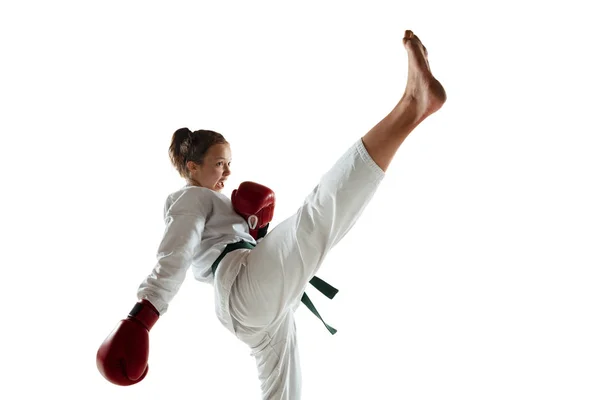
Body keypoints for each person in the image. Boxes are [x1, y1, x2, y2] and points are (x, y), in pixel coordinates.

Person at [97, 30, 446, 399]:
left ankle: (413, 105)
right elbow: (175, 253)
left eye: (229, 163)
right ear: (192, 167)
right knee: (318, 215)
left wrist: (257, 230)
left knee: (284, 390)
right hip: (241, 287)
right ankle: (411, 105)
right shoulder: (190, 200)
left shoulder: (219, 206)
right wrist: (144, 316)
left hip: (254, 304)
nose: (227, 173)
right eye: (219, 164)